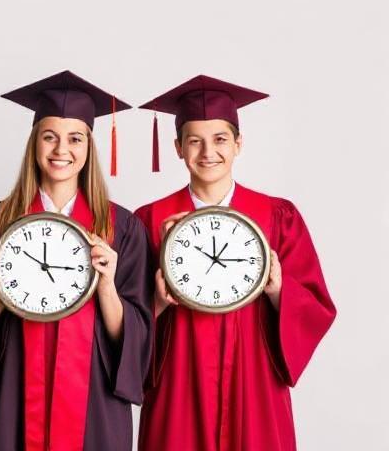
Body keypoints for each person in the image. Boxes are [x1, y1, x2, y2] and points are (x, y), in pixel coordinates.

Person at [136, 75, 336, 450]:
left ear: (239, 144)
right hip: (180, 379)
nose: (207, 151)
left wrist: (279, 290)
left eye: (220, 139)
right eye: (194, 141)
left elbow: (316, 305)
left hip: (254, 379)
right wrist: (156, 301)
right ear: (178, 148)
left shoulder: (276, 216)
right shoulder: (149, 220)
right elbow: (123, 315)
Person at [0, 71, 152, 451]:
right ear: (34, 143)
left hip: (93, 400)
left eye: (75, 138)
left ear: (89, 146)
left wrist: (107, 287)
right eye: (49, 136)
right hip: (11, 393)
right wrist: (2, 292)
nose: (61, 150)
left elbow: (136, 336)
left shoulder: (122, 227)